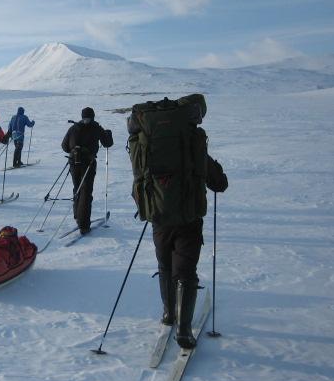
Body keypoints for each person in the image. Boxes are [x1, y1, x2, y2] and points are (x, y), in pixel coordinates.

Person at [127, 95, 228, 349]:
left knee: (165, 265)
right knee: (185, 271)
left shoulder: (146, 142)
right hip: (188, 216)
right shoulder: (192, 141)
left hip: (158, 216)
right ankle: (184, 330)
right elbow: (218, 181)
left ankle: (168, 313)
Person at [61, 107, 113, 234]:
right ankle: (83, 225)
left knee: (77, 188)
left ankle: (78, 216)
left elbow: (64, 146)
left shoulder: (74, 128)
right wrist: (108, 134)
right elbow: (107, 143)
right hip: (87, 164)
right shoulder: (95, 127)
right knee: (86, 191)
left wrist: (74, 149)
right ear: (93, 116)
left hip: (74, 162)